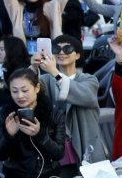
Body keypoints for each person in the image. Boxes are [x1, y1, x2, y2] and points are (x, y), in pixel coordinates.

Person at [0, 69, 68, 178]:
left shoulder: (53, 114)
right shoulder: (6, 114)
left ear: (37, 88)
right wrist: (10, 136)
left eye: (24, 90)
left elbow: (59, 153)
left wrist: (40, 135)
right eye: (14, 91)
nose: (20, 96)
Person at [34, 34, 105, 164]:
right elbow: (29, 89)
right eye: (56, 49)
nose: (61, 52)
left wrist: (54, 72)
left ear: (77, 55)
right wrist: (33, 67)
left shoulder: (88, 79)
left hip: (86, 143)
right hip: (59, 147)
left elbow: (86, 96)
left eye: (67, 49)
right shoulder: (46, 80)